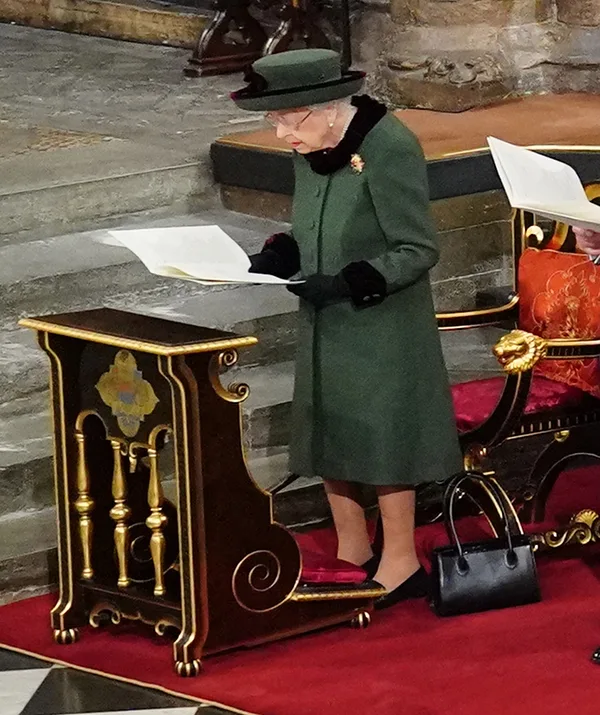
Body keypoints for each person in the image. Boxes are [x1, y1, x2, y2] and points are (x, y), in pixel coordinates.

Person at [231, 49, 462, 609]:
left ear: (328, 108)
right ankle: (352, 547)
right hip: (326, 317)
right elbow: (310, 224)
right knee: (331, 427)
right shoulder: (311, 144)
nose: (282, 134)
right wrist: (281, 255)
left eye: (290, 119)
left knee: (383, 436)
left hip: (382, 320)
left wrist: (348, 282)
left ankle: (401, 560)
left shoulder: (390, 147)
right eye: (275, 121)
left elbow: (417, 248)